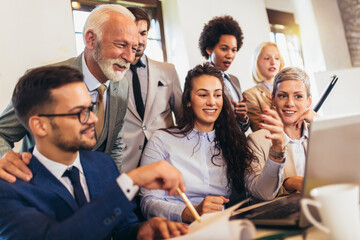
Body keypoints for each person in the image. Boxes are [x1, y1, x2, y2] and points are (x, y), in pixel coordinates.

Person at [0, 65, 188, 240]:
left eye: (90, 108)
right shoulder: (10, 189)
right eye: (79, 112)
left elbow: (122, 229)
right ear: (40, 125)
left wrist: (141, 231)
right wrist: (131, 181)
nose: (93, 119)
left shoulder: (102, 164)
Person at [0, 4, 138, 182]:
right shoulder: (45, 81)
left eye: (134, 49)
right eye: (121, 45)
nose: (129, 58)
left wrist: (113, 187)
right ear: (90, 39)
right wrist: (5, 159)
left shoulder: (123, 85)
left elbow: (114, 146)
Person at [139, 63, 284, 223]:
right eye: (203, 95)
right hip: (176, 229)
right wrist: (189, 212)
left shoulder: (233, 141)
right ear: (188, 100)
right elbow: (148, 203)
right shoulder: (162, 140)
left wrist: (277, 152)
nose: (212, 102)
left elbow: (263, 192)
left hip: (218, 228)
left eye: (217, 95)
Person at [122, 7, 182, 173]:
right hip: (127, 165)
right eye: (134, 33)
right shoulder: (112, 74)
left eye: (143, 33)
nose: (140, 40)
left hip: (167, 158)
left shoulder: (168, 70)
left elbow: (183, 116)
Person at [247, 67, 318, 194]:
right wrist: (288, 183)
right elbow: (260, 193)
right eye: (283, 96)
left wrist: (322, 125)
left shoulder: (318, 134)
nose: (290, 103)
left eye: (298, 96)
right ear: (273, 99)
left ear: (309, 101)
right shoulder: (256, 141)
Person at [198, 15, 249, 133]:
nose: (230, 55)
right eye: (224, 49)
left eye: (233, 50)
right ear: (209, 49)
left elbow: (243, 128)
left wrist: (243, 118)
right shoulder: (200, 79)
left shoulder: (234, 80)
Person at [244, 42, 285, 132]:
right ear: (257, 62)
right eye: (267, 58)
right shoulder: (250, 95)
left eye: (277, 58)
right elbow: (260, 130)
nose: (273, 62)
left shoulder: (288, 89)